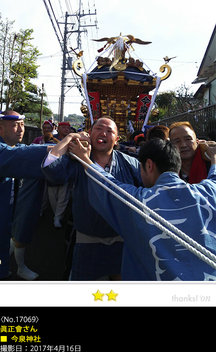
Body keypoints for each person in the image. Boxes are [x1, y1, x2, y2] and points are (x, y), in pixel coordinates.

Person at [69, 137, 216, 281]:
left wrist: (85, 159)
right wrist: (213, 156)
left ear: (149, 165)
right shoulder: (209, 191)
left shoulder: (136, 201)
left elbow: (106, 184)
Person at [42, 116, 142, 280]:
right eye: (99, 128)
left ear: (116, 139)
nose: (103, 133)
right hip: (87, 239)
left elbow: (148, 191)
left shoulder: (130, 163)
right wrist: (69, 138)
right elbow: (51, 170)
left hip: (122, 239)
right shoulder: (76, 160)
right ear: (89, 133)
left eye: (109, 131)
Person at [0, 110, 52, 280]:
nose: (20, 129)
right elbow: (23, 155)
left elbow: (29, 150)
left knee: (2, 249)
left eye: (22, 125)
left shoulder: (14, 148)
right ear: (1, 129)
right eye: (15, 125)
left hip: (4, 218)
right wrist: (61, 147)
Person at [48, 121, 72, 228]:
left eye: (68, 128)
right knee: (52, 196)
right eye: (64, 127)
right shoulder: (52, 138)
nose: (66, 130)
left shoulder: (73, 140)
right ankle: (56, 214)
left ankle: (58, 217)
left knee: (63, 197)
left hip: (66, 172)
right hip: (53, 171)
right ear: (58, 128)